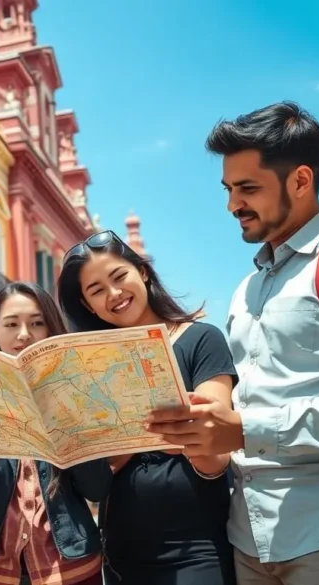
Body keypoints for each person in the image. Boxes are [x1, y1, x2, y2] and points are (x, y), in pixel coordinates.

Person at [145, 101, 319, 585]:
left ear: (300, 181)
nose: (233, 204)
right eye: (229, 189)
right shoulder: (247, 288)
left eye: (248, 188)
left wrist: (245, 428)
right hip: (247, 541)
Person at [56, 232, 238, 585]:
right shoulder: (89, 371)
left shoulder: (201, 339)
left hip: (197, 549)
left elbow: (218, 447)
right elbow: (97, 473)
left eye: (119, 276)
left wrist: (131, 436)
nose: (113, 294)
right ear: (88, 305)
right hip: (121, 553)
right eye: (96, 290)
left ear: (143, 272)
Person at [0, 282, 111, 585]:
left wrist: (70, 424)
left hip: (70, 570)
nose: (24, 334)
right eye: (11, 324)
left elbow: (97, 489)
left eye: (37, 323)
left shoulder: (76, 395)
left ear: (50, 331)